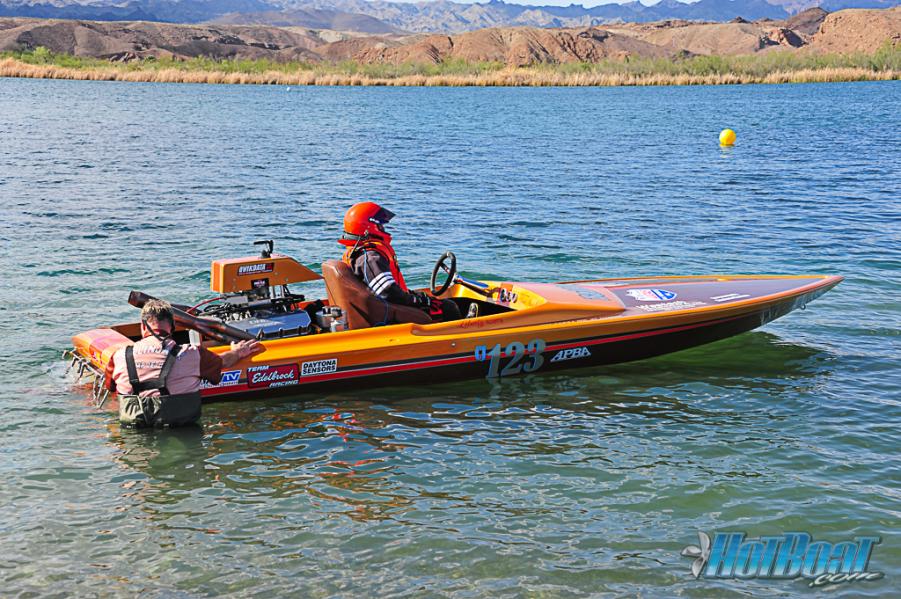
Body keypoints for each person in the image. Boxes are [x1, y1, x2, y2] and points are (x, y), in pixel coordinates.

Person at [109, 299, 263, 427]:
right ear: (172, 327)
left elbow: (111, 389)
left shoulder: (120, 356)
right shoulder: (192, 354)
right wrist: (238, 352)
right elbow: (223, 362)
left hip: (135, 441)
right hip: (182, 433)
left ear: (143, 326)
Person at [339, 201, 461, 322]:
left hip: (384, 307)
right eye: (381, 226)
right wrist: (419, 300)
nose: (383, 229)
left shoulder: (359, 253)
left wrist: (416, 296)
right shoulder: (370, 257)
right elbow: (388, 291)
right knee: (450, 307)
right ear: (368, 228)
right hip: (390, 312)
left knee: (436, 300)